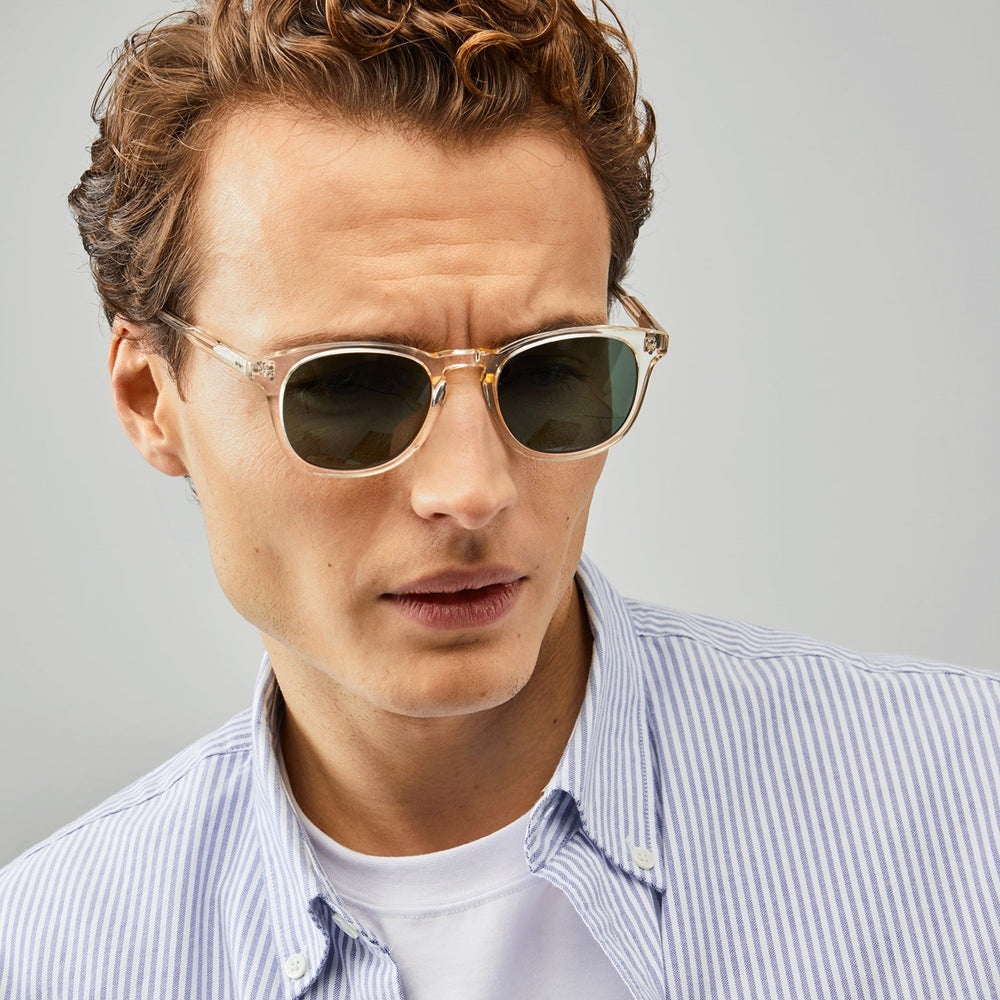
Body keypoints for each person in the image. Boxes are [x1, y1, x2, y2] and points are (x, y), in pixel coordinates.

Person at [1, 1, 998, 997]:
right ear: (151, 398)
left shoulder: (969, 806)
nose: (470, 491)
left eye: (551, 371)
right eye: (351, 387)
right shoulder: (47, 956)